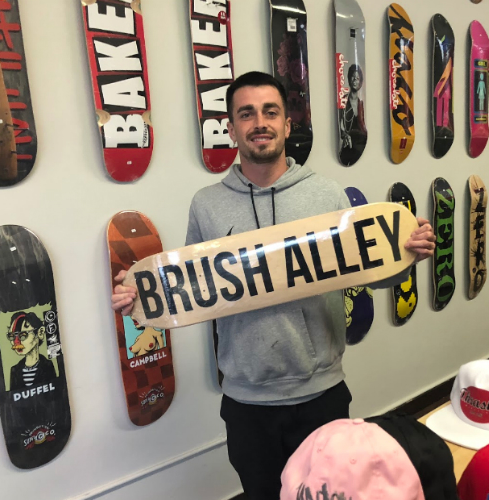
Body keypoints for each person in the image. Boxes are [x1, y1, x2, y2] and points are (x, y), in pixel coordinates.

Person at [111, 71, 436, 499]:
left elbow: (371, 273)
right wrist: (139, 294)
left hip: (322, 392)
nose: (259, 123)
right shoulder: (206, 205)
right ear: (231, 128)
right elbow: (189, 289)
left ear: (286, 124)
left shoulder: (325, 194)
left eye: (270, 112)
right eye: (246, 114)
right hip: (248, 403)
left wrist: (407, 253)